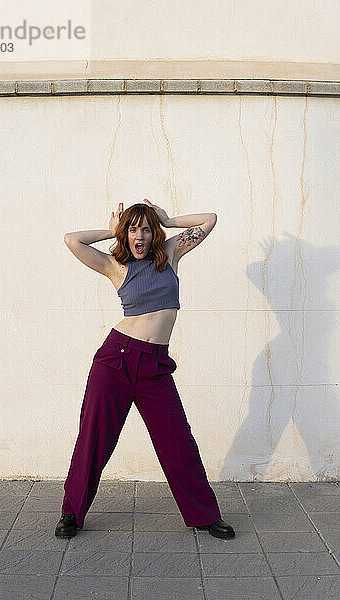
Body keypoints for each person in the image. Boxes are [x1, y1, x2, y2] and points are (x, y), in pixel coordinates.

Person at [55, 198, 235, 540]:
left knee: (178, 440)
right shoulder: (115, 267)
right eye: (133, 229)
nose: (139, 236)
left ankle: (203, 515)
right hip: (115, 361)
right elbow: (71, 240)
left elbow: (210, 218)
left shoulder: (171, 254)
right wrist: (110, 230)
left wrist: (168, 218)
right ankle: (71, 513)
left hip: (154, 366)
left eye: (146, 229)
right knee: (94, 438)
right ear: (126, 234)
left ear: (155, 234)